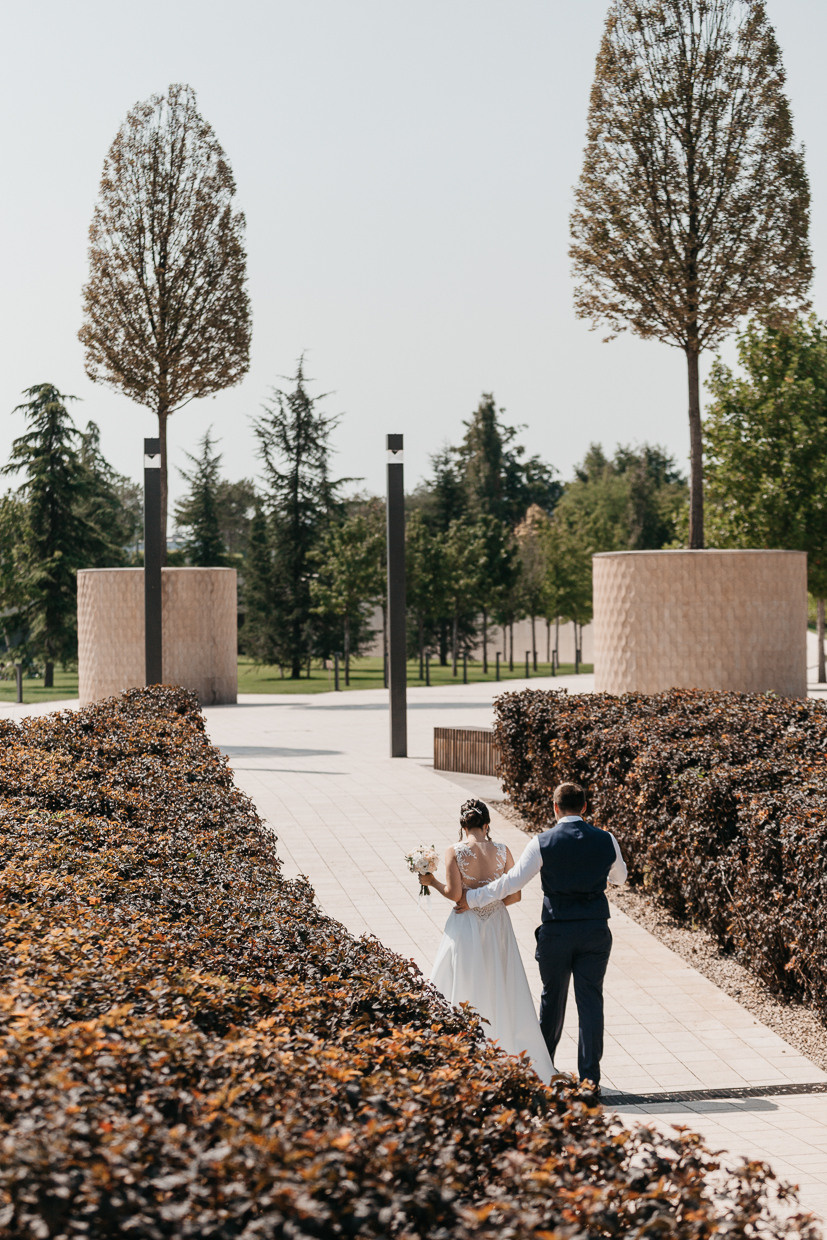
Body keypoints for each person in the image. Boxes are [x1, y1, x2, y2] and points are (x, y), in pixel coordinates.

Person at [459, 782, 627, 1092]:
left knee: (553, 1000)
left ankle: (543, 1069)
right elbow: (620, 877)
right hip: (594, 929)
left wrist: (473, 898)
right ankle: (589, 1079)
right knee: (591, 1001)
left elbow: (511, 882)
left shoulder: (542, 843)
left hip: (557, 930)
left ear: (555, 808)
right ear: (585, 807)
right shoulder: (606, 840)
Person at [419, 798, 555, 1081]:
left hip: (465, 926)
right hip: (497, 925)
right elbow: (515, 894)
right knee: (501, 979)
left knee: (465, 979)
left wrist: (430, 881)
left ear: (462, 825)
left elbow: (456, 896)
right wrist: (490, 904)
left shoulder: (454, 851)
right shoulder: (503, 850)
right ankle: (503, 1044)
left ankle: (464, 1047)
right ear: (486, 825)